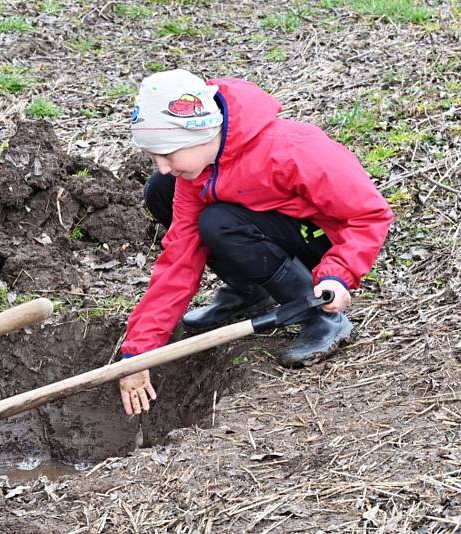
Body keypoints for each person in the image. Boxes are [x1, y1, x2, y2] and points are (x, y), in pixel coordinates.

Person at [117, 69, 394, 417]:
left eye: (168, 154)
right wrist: (140, 350)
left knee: (218, 223)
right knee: (160, 191)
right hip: (263, 235)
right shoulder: (195, 174)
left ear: (200, 132)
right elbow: (179, 259)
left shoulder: (291, 148)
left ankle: (319, 317)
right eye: (154, 157)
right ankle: (249, 290)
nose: (162, 166)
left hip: (320, 246)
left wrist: (338, 274)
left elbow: (369, 215)